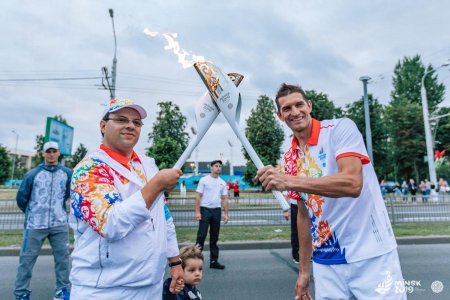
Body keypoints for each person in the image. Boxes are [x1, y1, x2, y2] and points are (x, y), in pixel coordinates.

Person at [256, 84, 405, 300]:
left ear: (309, 105)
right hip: (326, 263)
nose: (295, 112)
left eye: (299, 104)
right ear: (280, 116)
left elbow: (353, 184)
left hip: (370, 255)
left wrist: (289, 181)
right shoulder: (290, 158)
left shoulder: (340, 129)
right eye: (287, 109)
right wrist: (304, 271)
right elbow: (304, 215)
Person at [69, 98, 184, 299]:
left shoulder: (147, 167)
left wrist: (174, 261)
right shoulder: (89, 170)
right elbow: (111, 224)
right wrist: (156, 184)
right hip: (105, 289)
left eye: (136, 122)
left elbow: (163, 217)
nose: (130, 125)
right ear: (103, 126)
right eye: (122, 119)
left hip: (150, 285)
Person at [14, 141, 72, 300]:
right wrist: (34, 212)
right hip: (35, 225)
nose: (51, 154)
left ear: (59, 153)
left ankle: (62, 291)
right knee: (26, 260)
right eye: (48, 151)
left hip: (59, 224)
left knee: (63, 260)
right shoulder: (32, 174)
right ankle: (21, 293)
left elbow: (67, 194)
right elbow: (21, 198)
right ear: (43, 153)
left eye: (54, 151)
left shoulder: (67, 173)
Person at [195, 160, 229, 270]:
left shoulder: (222, 182)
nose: (218, 168)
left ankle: (214, 261)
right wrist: (197, 212)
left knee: (214, 237)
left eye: (220, 166)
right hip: (205, 210)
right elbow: (198, 196)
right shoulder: (204, 180)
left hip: (216, 211)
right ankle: (195, 261)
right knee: (201, 236)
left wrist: (226, 214)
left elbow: (224, 199)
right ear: (211, 167)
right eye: (216, 166)